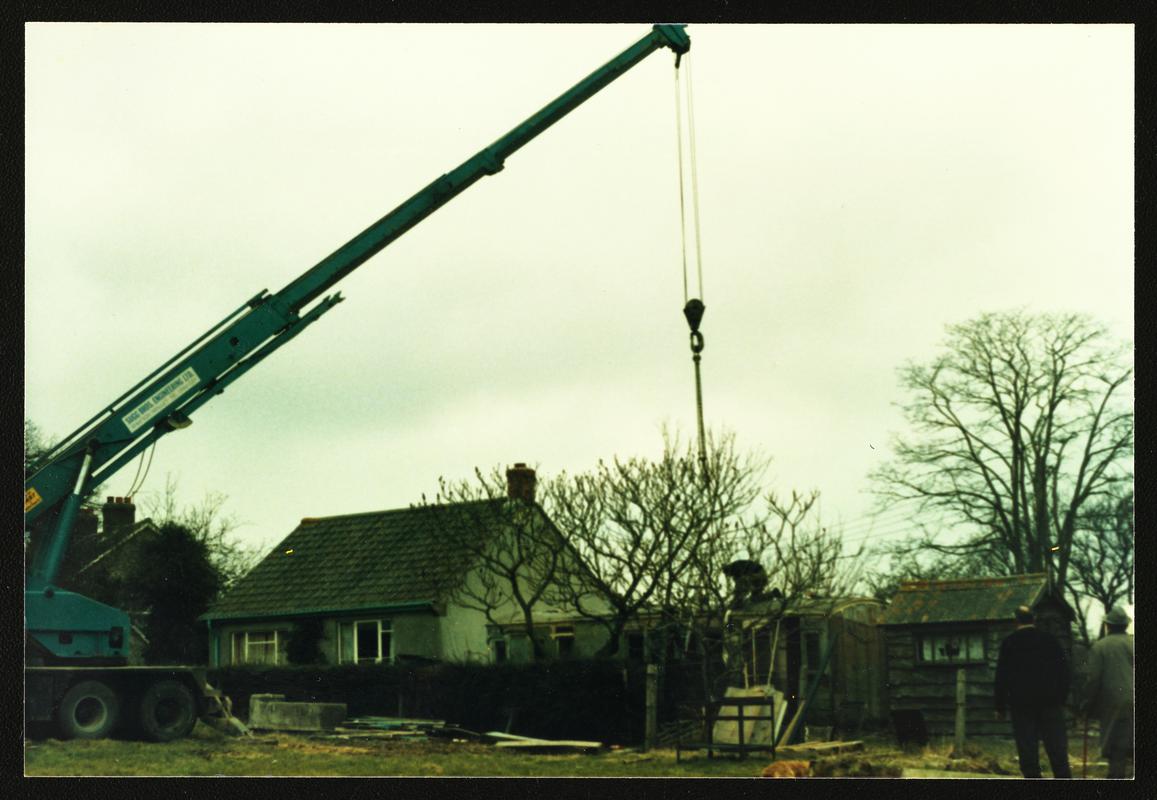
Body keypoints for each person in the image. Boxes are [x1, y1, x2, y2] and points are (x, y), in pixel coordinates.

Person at [994, 604, 1072, 778]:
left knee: (1027, 750)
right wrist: (1062, 698)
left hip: (1021, 705)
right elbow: (1064, 671)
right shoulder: (1050, 640)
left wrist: (1000, 706)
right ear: (1034, 619)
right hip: (1050, 703)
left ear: (1016, 621)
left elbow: (1002, 677)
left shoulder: (1009, 643)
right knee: (1057, 750)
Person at [1082, 606, 1134, 779]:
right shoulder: (1133, 644)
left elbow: (1093, 679)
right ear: (1126, 625)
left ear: (1108, 625)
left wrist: (1087, 705)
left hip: (1115, 702)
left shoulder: (1100, 647)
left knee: (1117, 749)